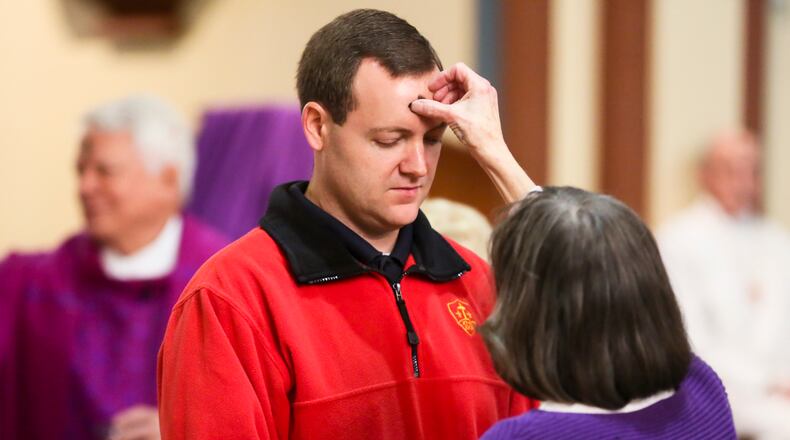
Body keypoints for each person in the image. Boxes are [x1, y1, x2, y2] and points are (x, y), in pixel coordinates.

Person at [157, 9, 536, 440]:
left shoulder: (481, 287)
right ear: (318, 126)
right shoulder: (231, 300)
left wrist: (495, 151)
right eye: (388, 141)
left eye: (432, 141)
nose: (417, 167)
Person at [409, 63, 736, 438]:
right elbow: (587, 251)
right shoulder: (701, 389)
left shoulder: (526, 437)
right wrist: (492, 149)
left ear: (533, 318)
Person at [0, 95, 228, 440]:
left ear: (167, 180)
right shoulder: (28, 284)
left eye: (104, 171)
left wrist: (187, 429)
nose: (84, 187)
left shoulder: (225, 281)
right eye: (81, 170)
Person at [657, 129, 790, 439]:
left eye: (751, 170)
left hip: (779, 386)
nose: (743, 181)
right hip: (719, 389)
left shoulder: (777, 240)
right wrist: (766, 381)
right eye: (732, 169)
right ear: (704, 175)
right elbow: (688, 338)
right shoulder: (678, 240)